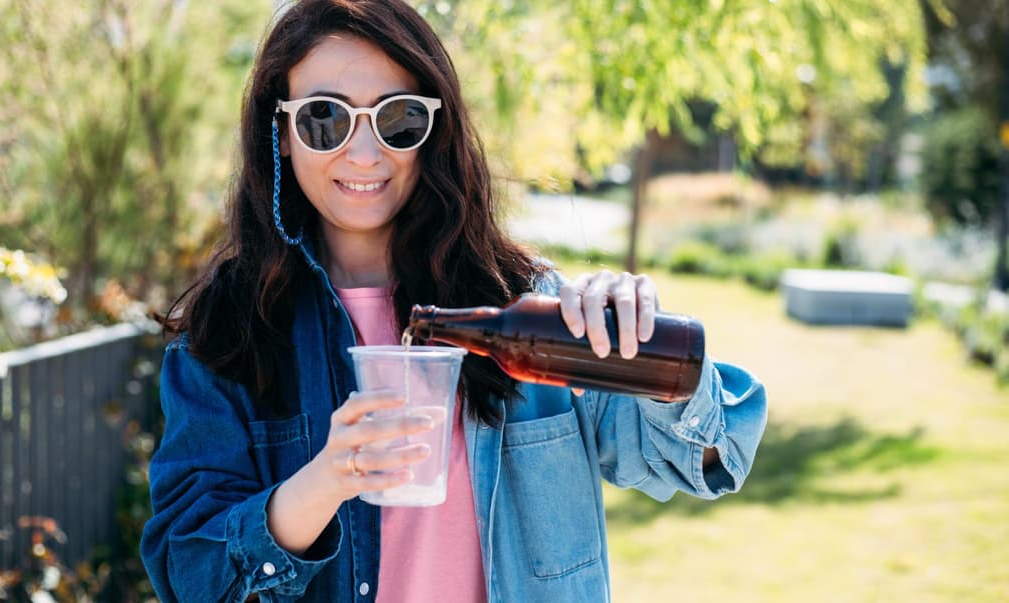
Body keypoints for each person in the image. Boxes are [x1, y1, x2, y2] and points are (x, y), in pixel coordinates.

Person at [139, 0, 768, 601]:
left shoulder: (530, 306)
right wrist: (327, 479)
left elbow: (701, 461)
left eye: (397, 118)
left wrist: (645, 351)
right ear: (281, 133)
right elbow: (189, 571)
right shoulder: (227, 337)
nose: (364, 152)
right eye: (324, 118)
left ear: (432, 131)